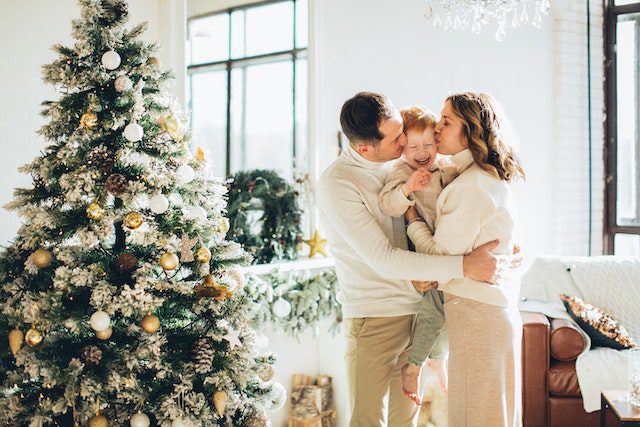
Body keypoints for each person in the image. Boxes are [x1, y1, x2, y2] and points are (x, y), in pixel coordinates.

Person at [316, 91, 505, 427]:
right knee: (367, 421)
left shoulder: (400, 164)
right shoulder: (338, 183)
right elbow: (384, 259)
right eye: (396, 137)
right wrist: (465, 265)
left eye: (402, 128)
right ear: (364, 148)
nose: (406, 140)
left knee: (407, 421)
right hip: (375, 318)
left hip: (417, 310)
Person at [404, 92, 525, 427]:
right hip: (489, 316)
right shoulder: (483, 179)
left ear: (470, 130)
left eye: (447, 121)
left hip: (477, 318)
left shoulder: (471, 187)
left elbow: (437, 262)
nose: (436, 127)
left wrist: (413, 220)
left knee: (476, 417)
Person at [378, 106, 456, 403]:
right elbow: (389, 205)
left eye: (428, 145)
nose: (422, 152)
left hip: (445, 243)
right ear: (402, 148)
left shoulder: (446, 165)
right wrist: (409, 187)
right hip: (423, 247)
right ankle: (419, 363)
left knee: (449, 306)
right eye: (412, 147)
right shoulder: (400, 171)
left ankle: (435, 358)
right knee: (436, 306)